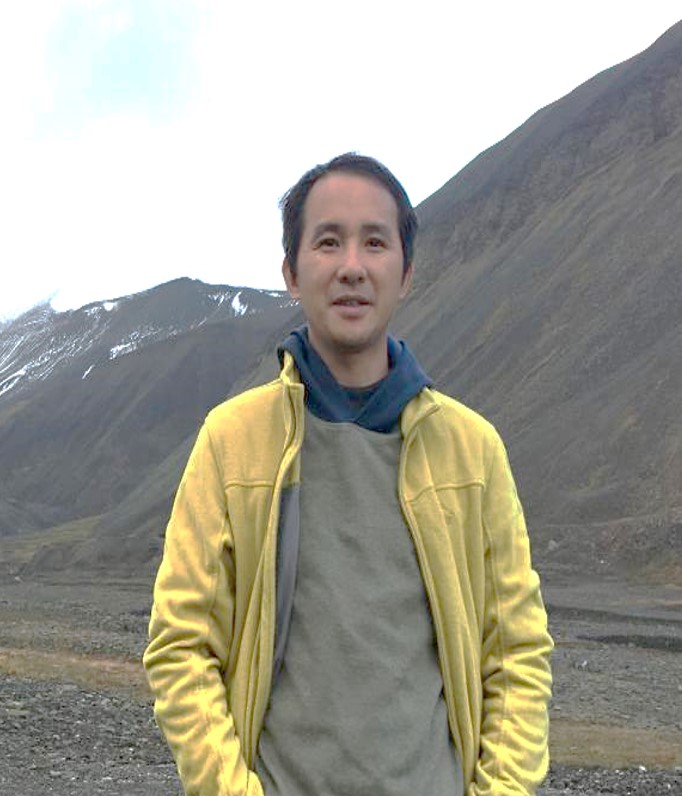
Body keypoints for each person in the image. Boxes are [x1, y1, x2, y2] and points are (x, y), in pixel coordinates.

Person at [143, 153, 553, 796]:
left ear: (406, 274)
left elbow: (517, 653)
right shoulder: (233, 441)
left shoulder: (471, 451)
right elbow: (181, 646)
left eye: (375, 243)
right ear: (292, 272)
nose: (352, 266)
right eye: (328, 241)